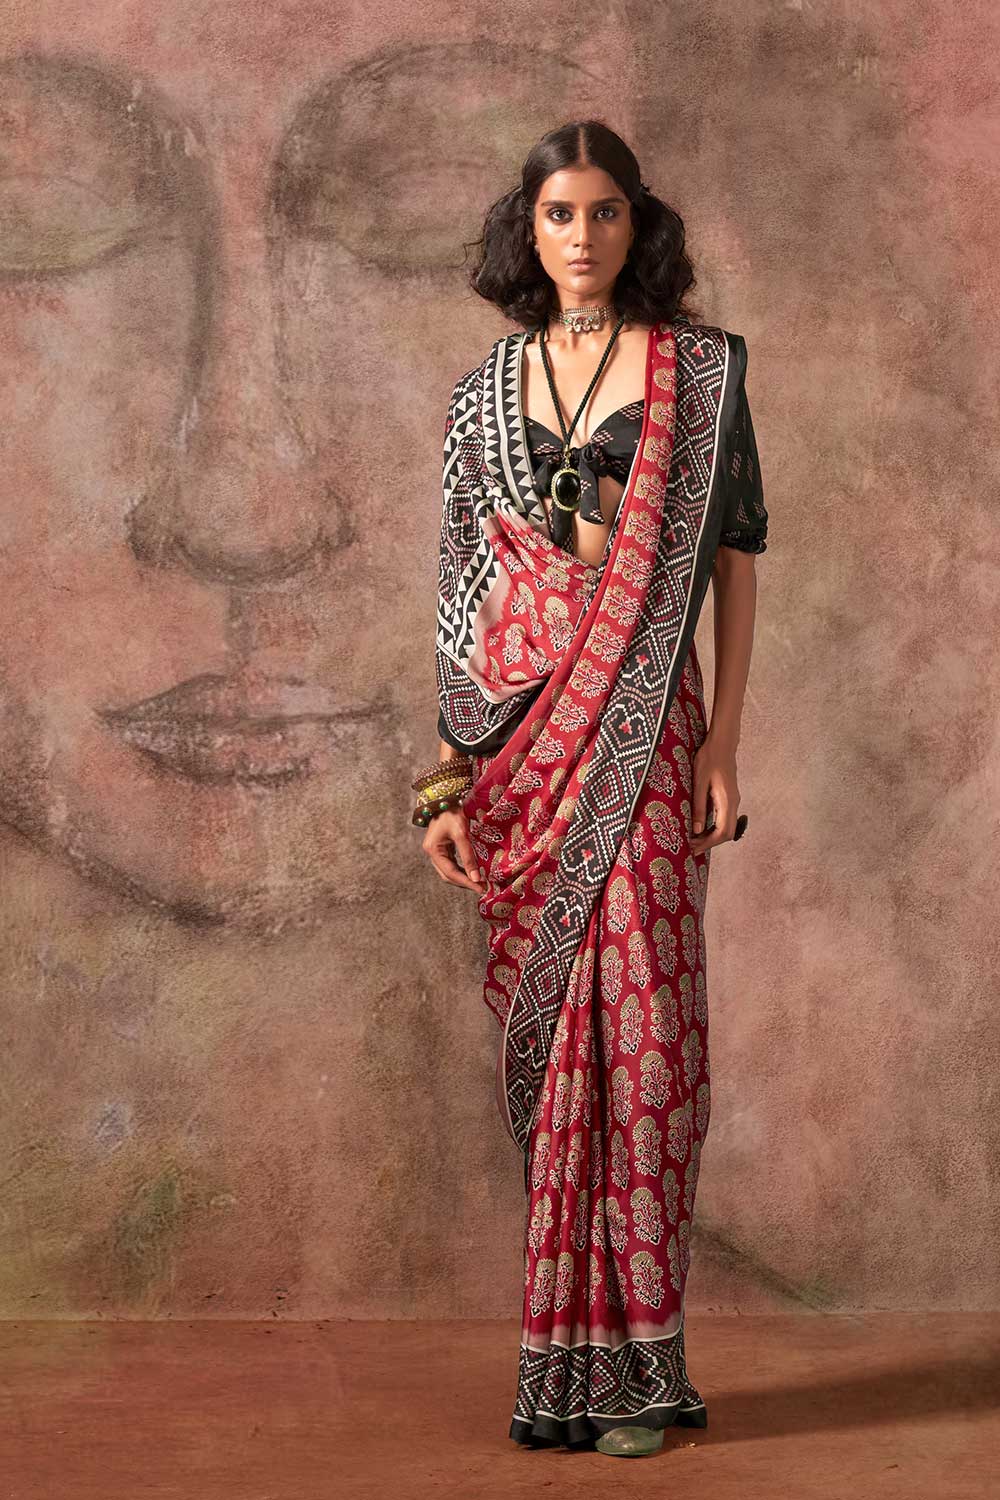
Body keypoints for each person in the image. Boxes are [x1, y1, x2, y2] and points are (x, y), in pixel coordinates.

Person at [415, 119, 768, 1457]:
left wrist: (722, 745)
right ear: (529, 228)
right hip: (521, 748)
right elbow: (464, 590)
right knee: (564, 1032)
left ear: (639, 223)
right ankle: (567, 1368)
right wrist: (445, 781)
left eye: (605, 212)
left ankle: (644, 1369)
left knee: (649, 1028)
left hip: (650, 731)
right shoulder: (481, 393)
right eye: (560, 213)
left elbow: (734, 561)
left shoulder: (700, 374)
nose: (582, 237)